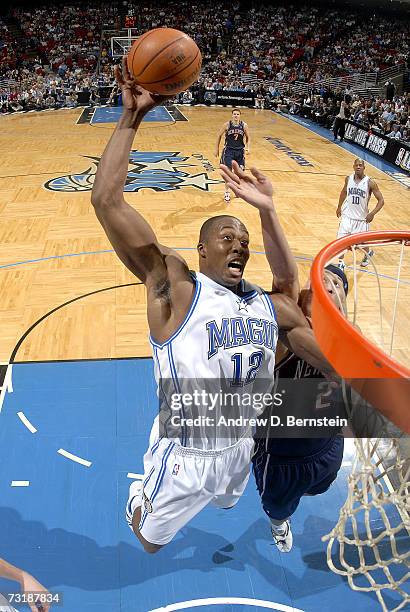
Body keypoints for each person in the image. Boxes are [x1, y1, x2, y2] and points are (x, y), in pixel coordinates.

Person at [91, 57, 333, 555]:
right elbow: (108, 202)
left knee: (226, 503)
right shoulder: (175, 289)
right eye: (228, 236)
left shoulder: (267, 309)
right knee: (149, 543)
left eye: (244, 239)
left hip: (239, 448)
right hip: (184, 453)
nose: (239, 244)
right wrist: (131, 118)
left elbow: (289, 289)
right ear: (203, 251)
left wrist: (266, 210)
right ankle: (140, 498)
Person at [221, 161, 347, 553]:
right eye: (320, 283)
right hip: (282, 457)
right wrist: (267, 209)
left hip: (328, 446)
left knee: (325, 483)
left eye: (336, 284)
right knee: (279, 506)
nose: (328, 287)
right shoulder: (289, 334)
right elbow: (286, 277)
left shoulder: (351, 342)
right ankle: (278, 523)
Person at [336, 158, 385, 268]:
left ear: (364, 167)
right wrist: (339, 207)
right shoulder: (348, 179)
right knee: (340, 241)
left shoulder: (370, 183)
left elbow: (381, 200)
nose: (358, 167)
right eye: (356, 165)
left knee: (361, 244)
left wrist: (372, 213)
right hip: (347, 216)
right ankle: (341, 263)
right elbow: (344, 192)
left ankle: (368, 253)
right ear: (353, 166)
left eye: (360, 165)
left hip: (362, 219)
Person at [215, 108, 250, 202]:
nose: (236, 115)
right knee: (228, 174)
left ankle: (236, 190)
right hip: (229, 151)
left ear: (240, 115)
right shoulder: (227, 125)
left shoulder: (244, 125)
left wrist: (248, 147)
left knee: (239, 174)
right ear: (232, 115)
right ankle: (227, 192)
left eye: (237, 114)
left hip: (240, 152)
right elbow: (219, 136)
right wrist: (216, 149)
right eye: (234, 114)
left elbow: (248, 137)